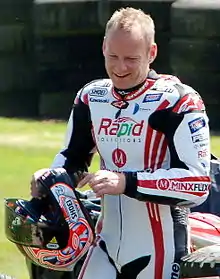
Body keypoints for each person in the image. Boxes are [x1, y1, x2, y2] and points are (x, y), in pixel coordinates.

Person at [31, 7, 211, 279]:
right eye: (113, 56)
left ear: (152, 53)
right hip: (104, 241)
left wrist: (126, 182)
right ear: (103, 46)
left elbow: (198, 185)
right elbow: (72, 160)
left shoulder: (178, 101)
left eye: (131, 58)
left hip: (160, 249)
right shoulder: (91, 97)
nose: (119, 67)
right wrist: (50, 179)